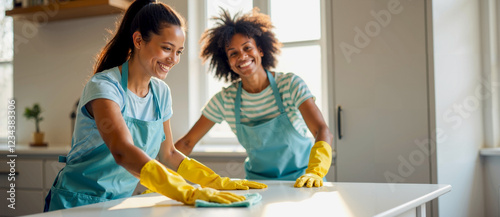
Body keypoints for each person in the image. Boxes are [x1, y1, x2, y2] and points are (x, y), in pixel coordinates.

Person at [44, 0, 266, 212]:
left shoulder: (161, 93)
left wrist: (215, 181)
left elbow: (168, 153)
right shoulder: (104, 87)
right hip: (75, 204)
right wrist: (185, 191)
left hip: (118, 205)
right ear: (139, 40)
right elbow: (121, 151)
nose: (173, 59)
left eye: (178, 51)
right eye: (167, 48)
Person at [174, 8, 334, 188]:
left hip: (304, 181)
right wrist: (162, 177)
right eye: (233, 53)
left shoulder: (290, 85)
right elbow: (187, 143)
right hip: (259, 186)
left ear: (261, 50)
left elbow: (321, 130)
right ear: (227, 62)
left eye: (247, 48)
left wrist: (316, 171)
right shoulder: (224, 100)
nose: (242, 56)